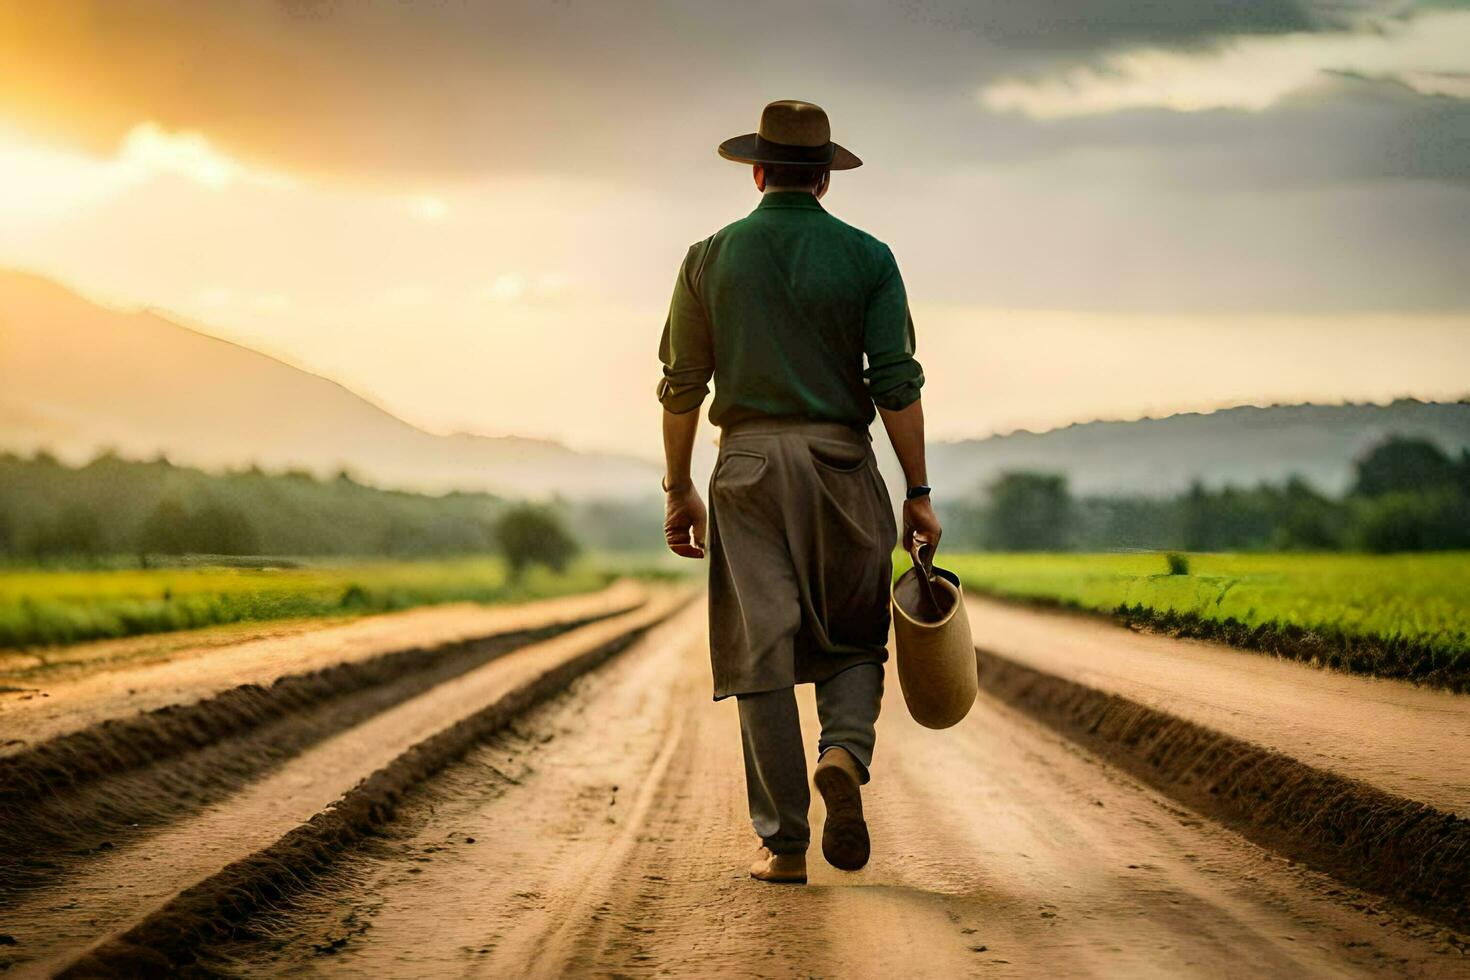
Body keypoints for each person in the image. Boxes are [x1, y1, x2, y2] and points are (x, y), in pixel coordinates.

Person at [656, 99, 941, 885]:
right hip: (842, 465)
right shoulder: (868, 256)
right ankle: (844, 752)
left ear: (756, 171)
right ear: (824, 177)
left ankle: (783, 845)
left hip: (744, 471)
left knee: (762, 653)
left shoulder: (708, 258)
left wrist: (680, 487)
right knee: (855, 634)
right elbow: (895, 382)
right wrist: (917, 491)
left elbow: (682, 386)